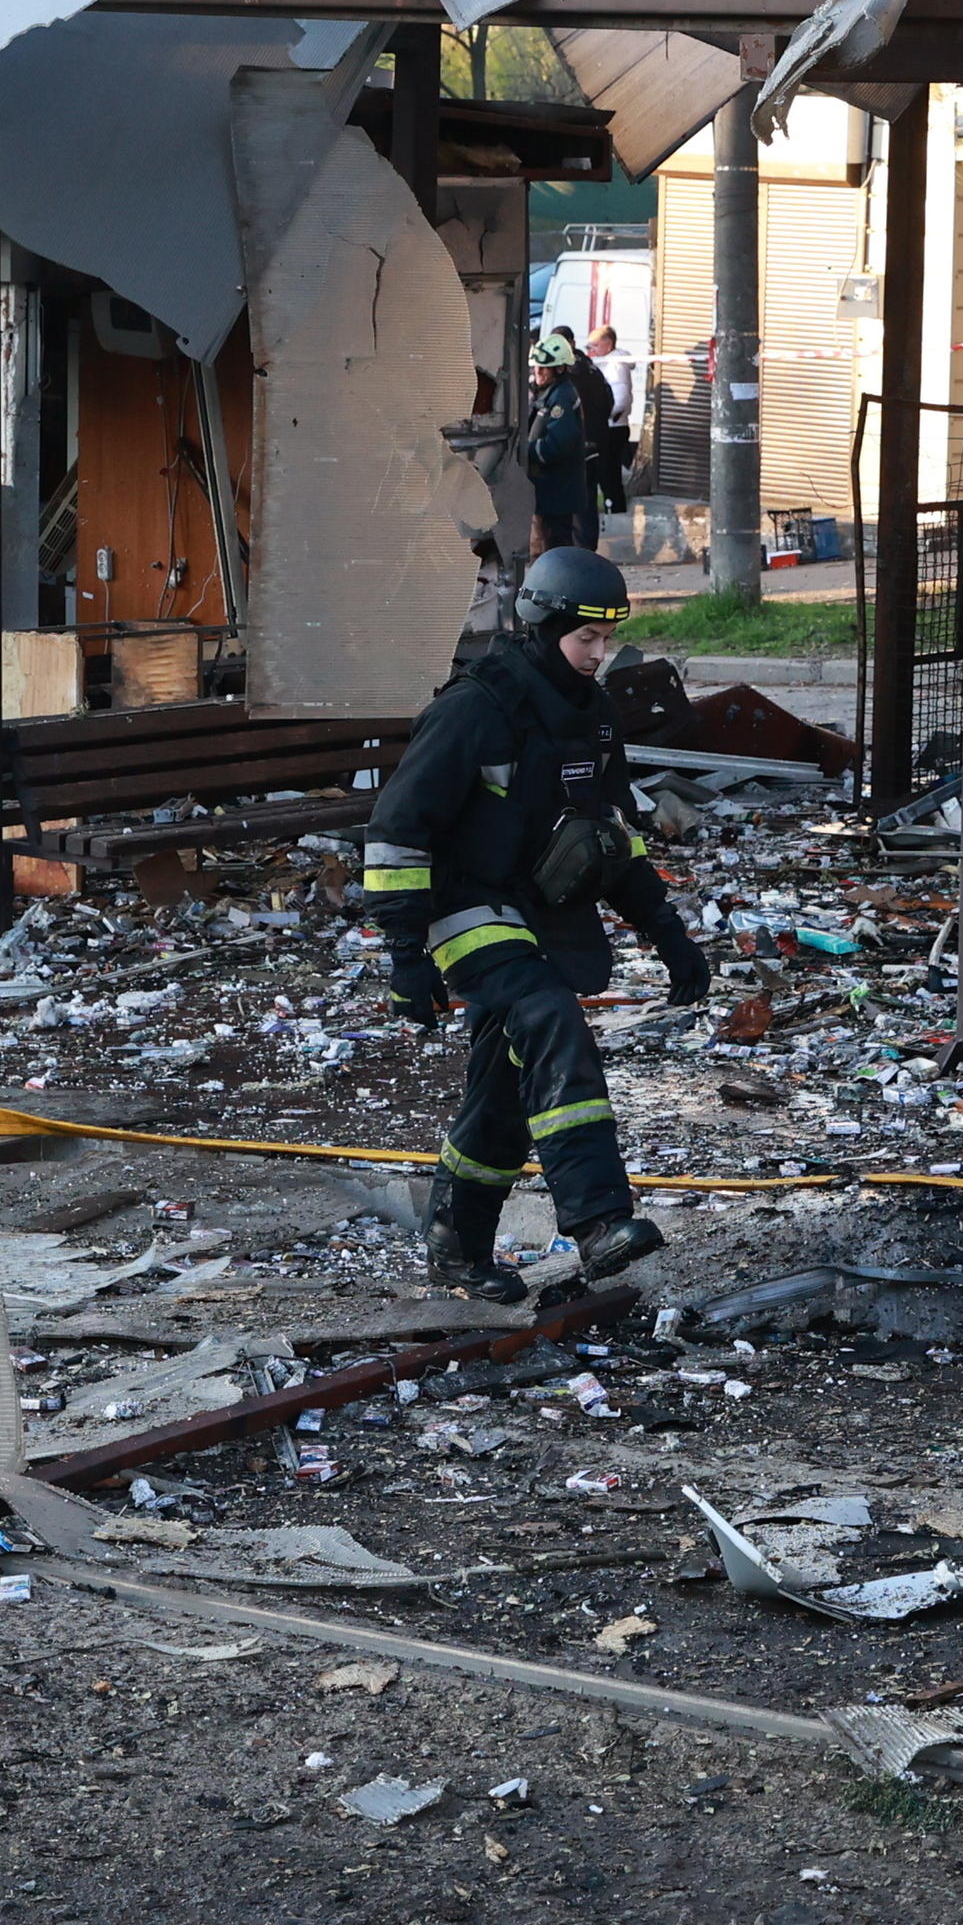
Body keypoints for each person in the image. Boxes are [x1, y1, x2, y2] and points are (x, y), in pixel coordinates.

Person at [359, 544, 711, 1301]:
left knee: (506, 1083)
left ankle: (455, 1243)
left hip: (541, 914)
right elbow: (396, 829)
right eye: (586, 639)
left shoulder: (594, 719)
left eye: (605, 639)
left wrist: (671, 936)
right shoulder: (475, 708)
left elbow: (612, 842)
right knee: (550, 1021)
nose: (598, 655)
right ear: (544, 625)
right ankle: (596, 1222)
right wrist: (403, 954)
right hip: (462, 905)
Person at [519, 325, 617, 555]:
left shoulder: (562, 398)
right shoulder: (548, 392)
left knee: (553, 553)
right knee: (541, 552)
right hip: (546, 493)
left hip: (556, 493)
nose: (538, 371)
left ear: (560, 368)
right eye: (536, 366)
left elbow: (557, 445)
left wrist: (524, 450)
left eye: (545, 367)